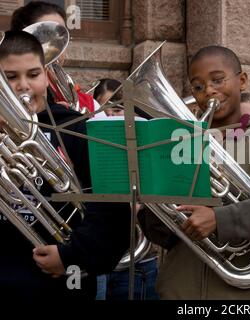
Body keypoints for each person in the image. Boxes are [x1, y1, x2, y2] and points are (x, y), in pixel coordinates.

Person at [139, 45, 250, 299]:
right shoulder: (179, 144)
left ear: (242, 80)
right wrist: (152, 196)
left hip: (248, 296)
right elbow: (160, 234)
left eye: (218, 80)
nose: (208, 91)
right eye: (197, 86)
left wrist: (220, 219)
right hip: (180, 290)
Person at [0, 30, 131, 299]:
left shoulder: (77, 128)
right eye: (11, 77)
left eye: (33, 74)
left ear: (46, 75)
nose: (24, 86)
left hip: (62, 285)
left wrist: (70, 255)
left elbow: (114, 214)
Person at [93, 78, 159, 301]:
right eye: (106, 110)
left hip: (140, 266)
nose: (113, 117)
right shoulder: (88, 147)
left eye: (120, 108)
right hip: (99, 264)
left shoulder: (149, 147)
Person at [10, 1, 99, 114]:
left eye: (61, 36)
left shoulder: (89, 104)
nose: (55, 46)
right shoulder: (9, 97)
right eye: (45, 36)